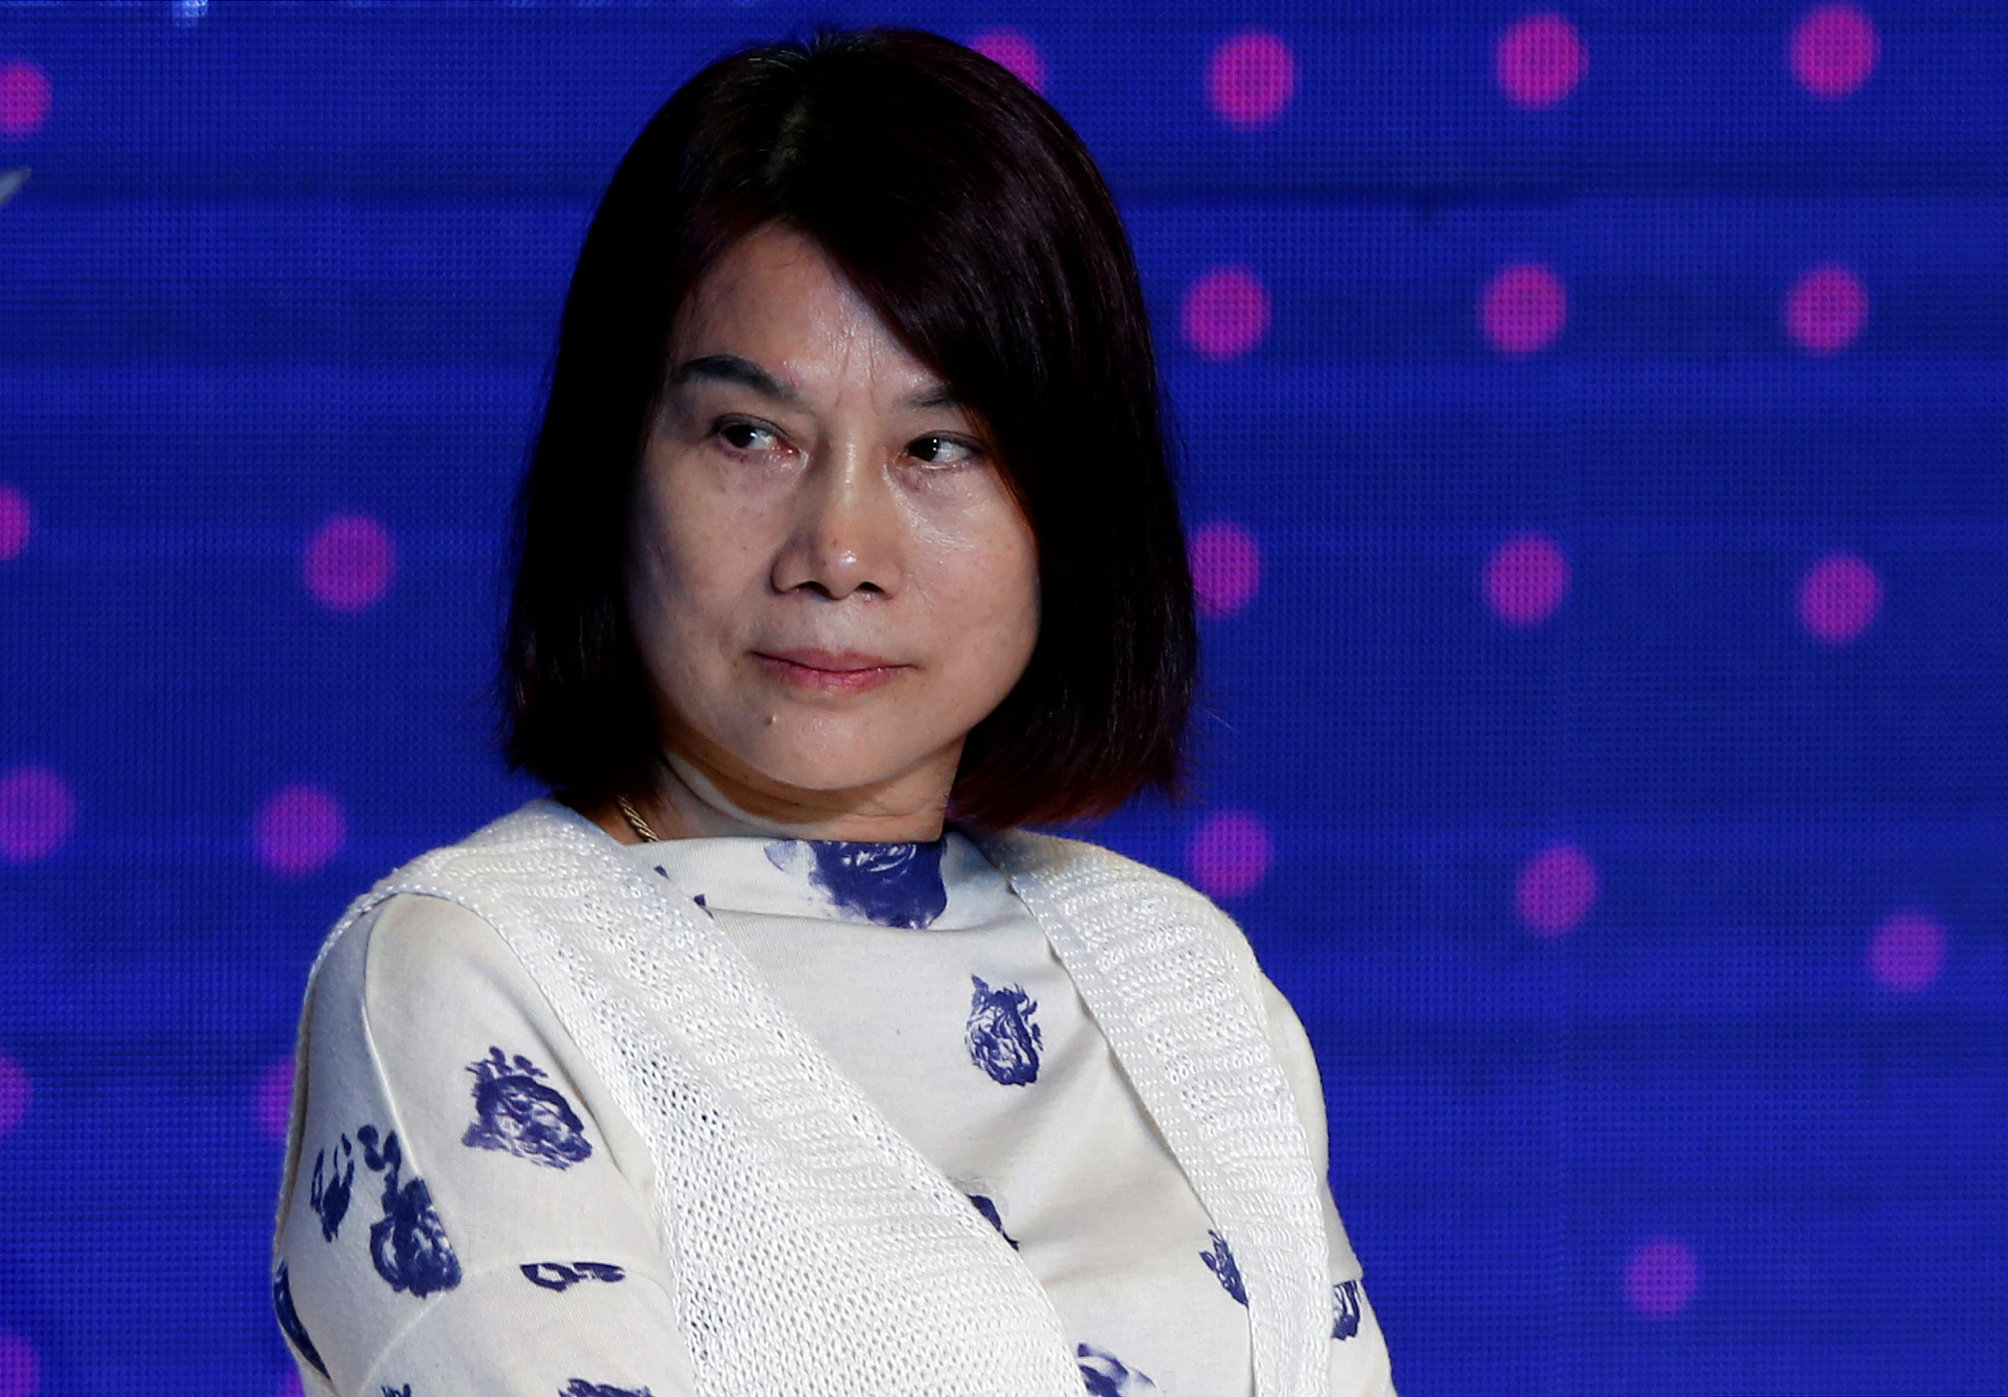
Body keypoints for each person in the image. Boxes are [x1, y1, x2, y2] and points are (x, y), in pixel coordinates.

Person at [270, 26, 1397, 1397]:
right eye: (750, 436)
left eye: (941, 447)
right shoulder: (465, 973)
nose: (839, 550)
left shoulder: (1187, 980)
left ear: (1073, 510)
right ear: (613, 468)